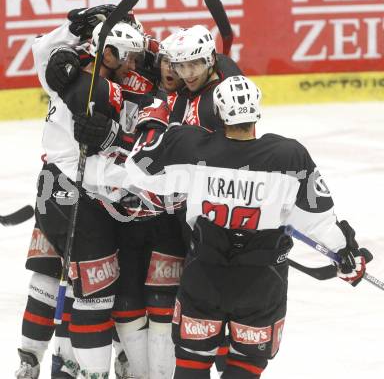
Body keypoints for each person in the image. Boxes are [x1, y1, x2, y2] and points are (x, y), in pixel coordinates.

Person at [74, 75, 368, 378]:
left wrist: (155, 123)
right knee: (245, 365)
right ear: (257, 110)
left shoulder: (190, 146)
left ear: (218, 111)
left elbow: (138, 171)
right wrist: (346, 254)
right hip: (261, 284)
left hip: (204, 275)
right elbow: (319, 219)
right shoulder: (290, 155)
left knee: (192, 362)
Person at [19, 15, 146, 379]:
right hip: (75, 193)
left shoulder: (64, 70)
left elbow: (41, 50)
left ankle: (32, 360)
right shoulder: (92, 86)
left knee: (51, 278)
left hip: (49, 188)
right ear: (110, 52)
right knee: (94, 288)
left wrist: (73, 30)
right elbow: (95, 164)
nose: (133, 66)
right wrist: (129, 183)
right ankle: (90, 371)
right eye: (130, 58)